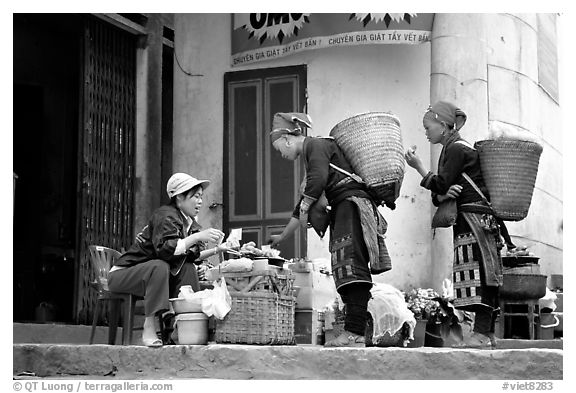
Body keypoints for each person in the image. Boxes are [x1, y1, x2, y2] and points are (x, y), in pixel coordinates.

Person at [269, 112, 391, 347]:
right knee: (344, 270)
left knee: (353, 268)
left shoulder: (317, 145)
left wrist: (305, 207)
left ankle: (354, 333)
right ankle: (353, 332)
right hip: (343, 210)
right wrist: (283, 235)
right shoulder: (312, 153)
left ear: (286, 139)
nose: (281, 155)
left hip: (352, 207)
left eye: (278, 149)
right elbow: (307, 198)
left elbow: (317, 180)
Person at [404, 101, 507, 348]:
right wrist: (443, 193)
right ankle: (486, 333)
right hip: (474, 218)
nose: (426, 132)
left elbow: (440, 183)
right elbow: (440, 191)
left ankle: (482, 334)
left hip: (474, 219)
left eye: (428, 127)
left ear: (443, 124)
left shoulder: (457, 150)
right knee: (481, 273)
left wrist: (419, 167)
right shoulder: (453, 149)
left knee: (481, 274)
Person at [108, 173, 232, 347]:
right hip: (122, 276)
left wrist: (216, 249)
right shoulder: (165, 216)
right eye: (196, 196)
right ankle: (150, 326)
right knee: (159, 266)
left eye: (201, 197)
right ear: (179, 197)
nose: (200, 202)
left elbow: (191, 256)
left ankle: (184, 325)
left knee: (187, 267)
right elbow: (167, 250)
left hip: (150, 276)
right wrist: (198, 237)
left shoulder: (187, 222)